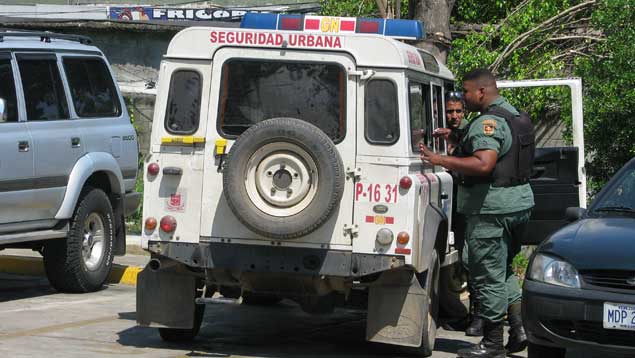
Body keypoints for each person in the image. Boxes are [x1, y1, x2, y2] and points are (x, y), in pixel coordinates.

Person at [420, 68, 534, 358]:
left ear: (481, 91)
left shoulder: (489, 121)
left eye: (467, 92)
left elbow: (484, 163)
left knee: (486, 274)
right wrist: (458, 136)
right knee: (503, 267)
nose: (465, 97)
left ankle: (492, 343)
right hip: (517, 203)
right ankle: (519, 328)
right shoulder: (512, 113)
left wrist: (439, 159)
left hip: (492, 209)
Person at [438, 92, 485, 337]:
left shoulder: (471, 133)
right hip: (448, 205)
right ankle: (458, 312)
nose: (454, 116)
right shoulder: (438, 132)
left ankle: (477, 316)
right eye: (450, 111)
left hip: (467, 205)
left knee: (470, 258)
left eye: (458, 111)